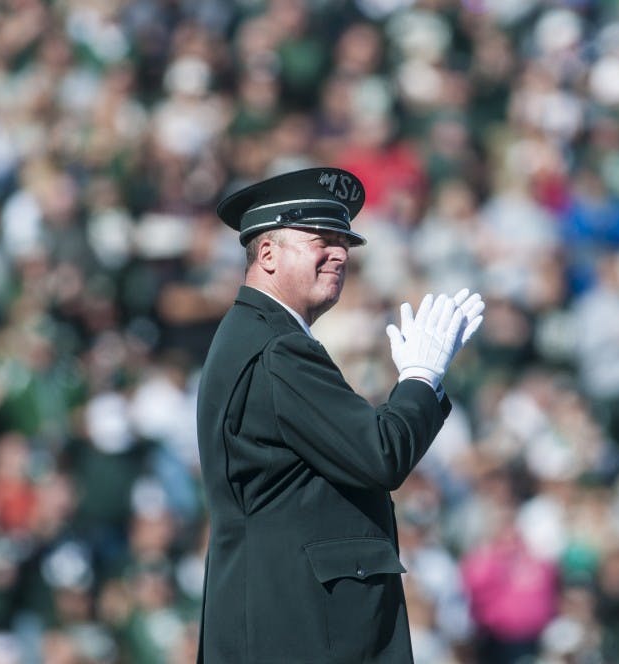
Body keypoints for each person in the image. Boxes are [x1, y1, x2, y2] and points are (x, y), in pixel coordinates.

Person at [195, 167, 483, 663]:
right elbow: (381, 455)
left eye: (344, 242)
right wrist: (420, 378)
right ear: (266, 253)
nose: (340, 254)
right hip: (300, 632)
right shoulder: (278, 348)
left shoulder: (261, 336)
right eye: (320, 240)